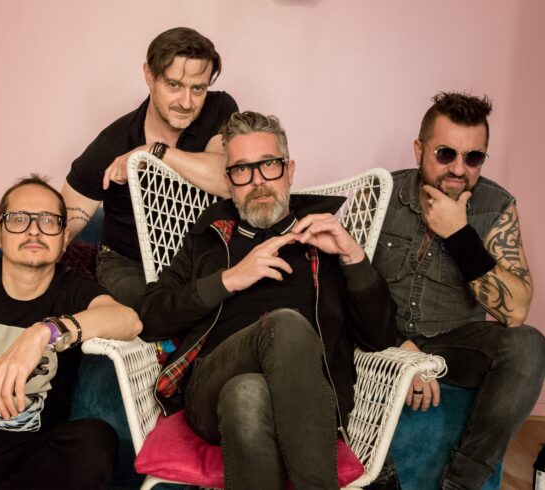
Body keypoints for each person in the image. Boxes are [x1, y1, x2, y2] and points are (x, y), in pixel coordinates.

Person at [140, 111, 397, 489]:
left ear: (289, 171)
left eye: (269, 165)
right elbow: (150, 316)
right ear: (229, 182)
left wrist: (352, 256)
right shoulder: (209, 237)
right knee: (285, 325)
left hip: (307, 401)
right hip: (209, 391)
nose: (258, 181)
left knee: (247, 394)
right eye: (242, 171)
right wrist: (230, 279)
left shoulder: (325, 238)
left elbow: (381, 337)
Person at [0, 175, 143, 489]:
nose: (34, 230)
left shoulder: (73, 291)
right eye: (18, 219)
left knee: (96, 440)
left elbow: (128, 320)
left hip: (27, 461)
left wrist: (45, 332)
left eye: (48, 221)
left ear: (64, 238)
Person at [372, 92, 545, 489]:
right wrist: (397, 346)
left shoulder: (495, 206)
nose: (458, 169)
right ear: (419, 149)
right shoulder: (382, 195)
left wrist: (460, 235)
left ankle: (464, 482)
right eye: (446, 153)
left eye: (473, 158)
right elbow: (345, 288)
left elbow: (515, 311)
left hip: (452, 346)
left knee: (529, 345)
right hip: (384, 339)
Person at [62, 27, 238, 309]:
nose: (186, 102)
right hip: (128, 263)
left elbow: (226, 179)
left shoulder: (219, 108)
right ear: (149, 76)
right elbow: (63, 224)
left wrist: (155, 152)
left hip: (198, 259)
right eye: (174, 85)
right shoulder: (113, 141)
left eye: (198, 88)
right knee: (152, 313)